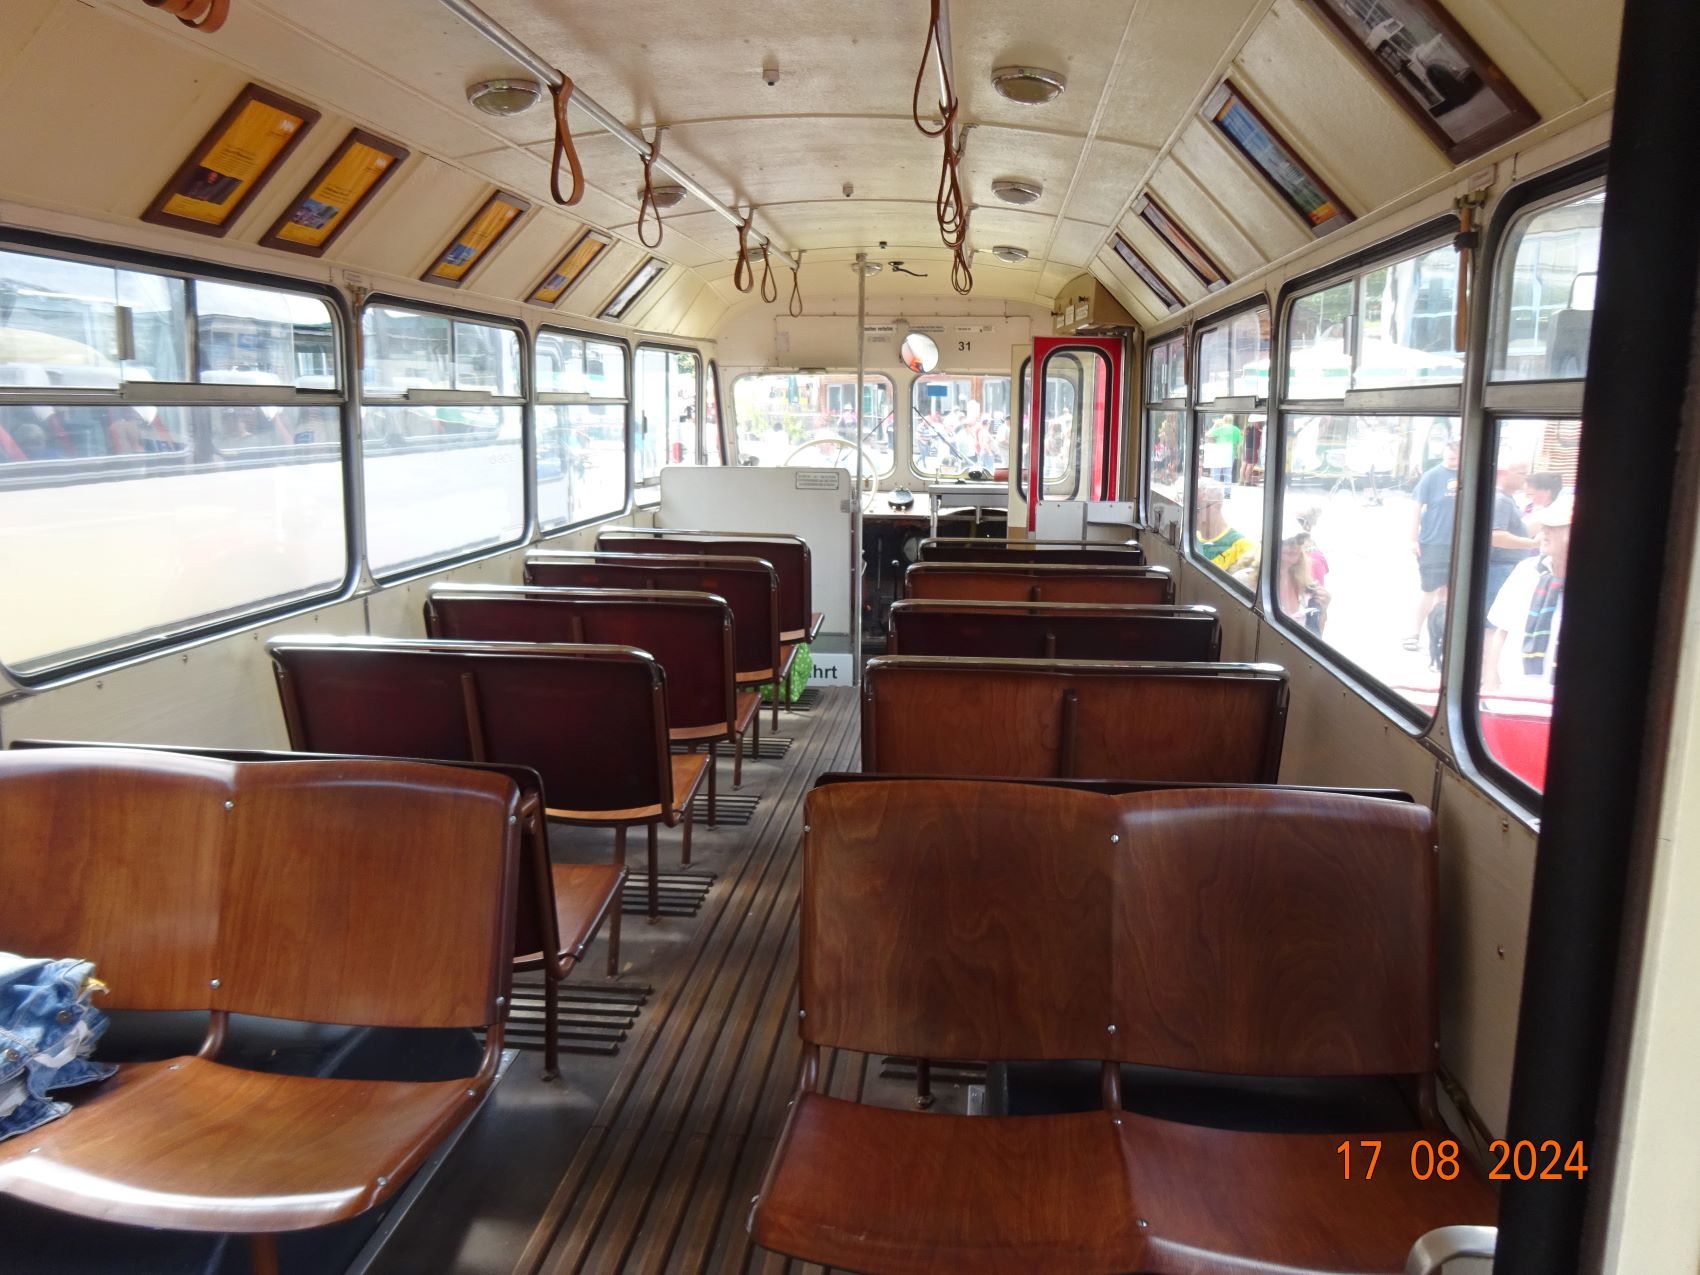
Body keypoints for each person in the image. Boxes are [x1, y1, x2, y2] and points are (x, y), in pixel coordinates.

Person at [1483, 497, 1572, 693]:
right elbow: (1501, 631)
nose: (1544, 531)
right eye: (1545, 525)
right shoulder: (1526, 571)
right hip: (1514, 693)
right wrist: (1490, 682)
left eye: (1555, 527)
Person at [1405, 438, 1459, 653]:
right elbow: (1416, 508)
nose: (1452, 459)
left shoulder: (1467, 474)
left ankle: (1438, 635)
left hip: (1457, 543)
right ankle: (1414, 632)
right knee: (1429, 589)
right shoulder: (1432, 476)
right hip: (1433, 541)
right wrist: (1413, 539)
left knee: (1446, 592)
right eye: (1449, 455)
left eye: (1456, 456)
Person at [1485, 461, 1537, 610]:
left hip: (1502, 567)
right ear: (1504, 473)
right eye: (1521, 473)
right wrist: (1534, 543)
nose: (1525, 478)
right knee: (1493, 615)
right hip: (1500, 568)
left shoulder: (1505, 498)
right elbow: (1496, 536)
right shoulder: (1501, 500)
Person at [1195, 479, 1255, 574]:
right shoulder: (1189, 538)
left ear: (1218, 505)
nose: (1190, 514)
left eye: (1197, 509)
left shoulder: (1243, 547)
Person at [1277, 529, 1330, 635]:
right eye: (1289, 541)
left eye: (1300, 540)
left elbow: (1316, 636)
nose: (1295, 545)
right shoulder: (1250, 581)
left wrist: (1323, 609)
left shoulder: (1308, 588)